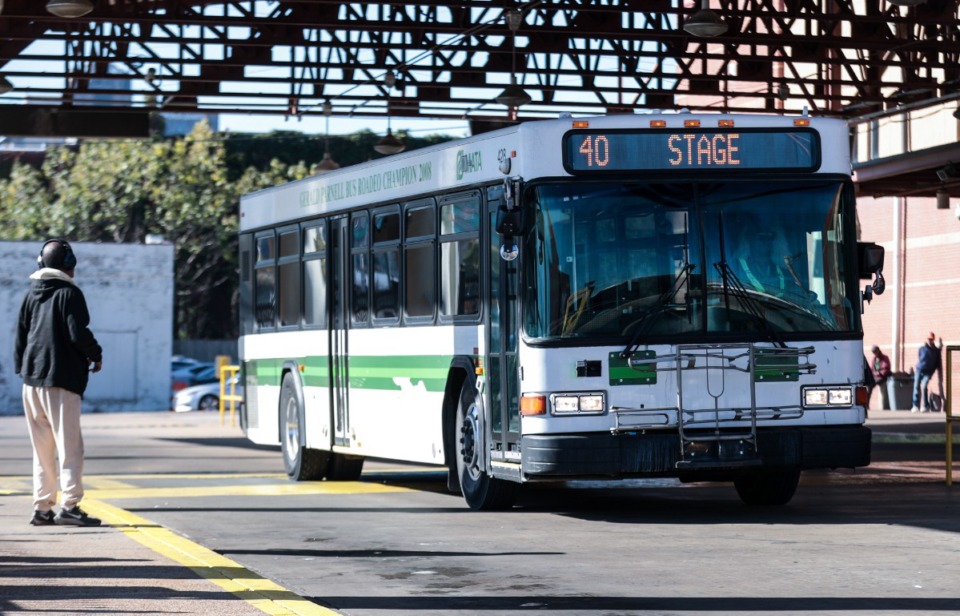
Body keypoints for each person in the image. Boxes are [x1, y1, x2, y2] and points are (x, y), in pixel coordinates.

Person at [13, 239, 104, 527]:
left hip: (31, 382)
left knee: (42, 450)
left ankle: (42, 508)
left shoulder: (31, 294)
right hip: (61, 381)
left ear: (41, 262)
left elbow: (21, 336)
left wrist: (24, 370)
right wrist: (96, 354)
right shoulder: (69, 293)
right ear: (69, 265)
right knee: (70, 447)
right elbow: (78, 334)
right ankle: (70, 506)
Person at [911, 332, 942, 413]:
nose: (930, 341)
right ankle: (915, 405)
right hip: (919, 370)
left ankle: (925, 405)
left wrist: (932, 371)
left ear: (933, 340)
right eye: (928, 339)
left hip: (928, 372)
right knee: (916, 386)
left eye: (931, 339)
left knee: (924, 386)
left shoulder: (936, 351)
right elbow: (920, 357)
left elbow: (937, 363)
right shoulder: (922, 348)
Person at [870, 345, 892, 410]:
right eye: (873, 352)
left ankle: (884, 408)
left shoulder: (885, 358)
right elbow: (873, 369)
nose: (875, 353)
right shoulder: (874, 359)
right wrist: (874, 373)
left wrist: (880, 373)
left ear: (878, 351)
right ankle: (866, 405)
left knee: (882, 391)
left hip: (883, 377)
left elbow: (886, 368)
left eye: (875, 352)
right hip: (876, 377)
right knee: (869, 386)